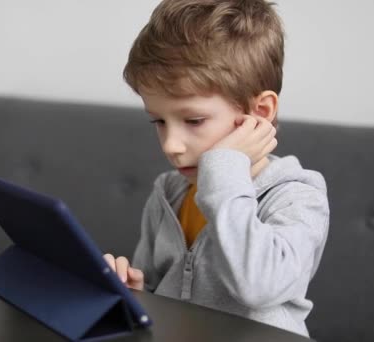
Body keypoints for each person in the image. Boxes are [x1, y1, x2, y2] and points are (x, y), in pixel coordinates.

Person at [103, 0, 330, 337]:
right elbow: (156, 288)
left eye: (194, 120)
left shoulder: (297, 197)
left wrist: (223, 169)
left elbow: (259, 285)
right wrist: (136, 293)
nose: (170, 145)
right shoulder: (167, 193)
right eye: (159, 121)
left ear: (261, 112)